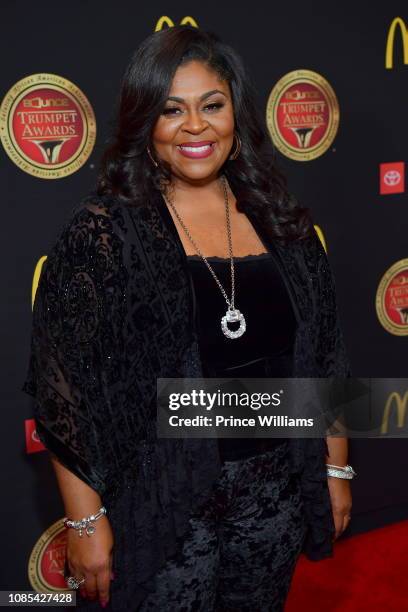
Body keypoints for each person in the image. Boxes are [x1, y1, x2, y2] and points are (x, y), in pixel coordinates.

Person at [22, 26, 354, 611]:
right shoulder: (106, 231)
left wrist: (336, 468)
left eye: (212, 105)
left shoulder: (281, 222)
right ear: (145, 121)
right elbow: (64, 388)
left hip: (274, 492)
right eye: (171, 109)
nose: (195, 126)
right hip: (162, 499)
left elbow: (325, 355)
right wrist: (83, 520)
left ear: (236, 113)